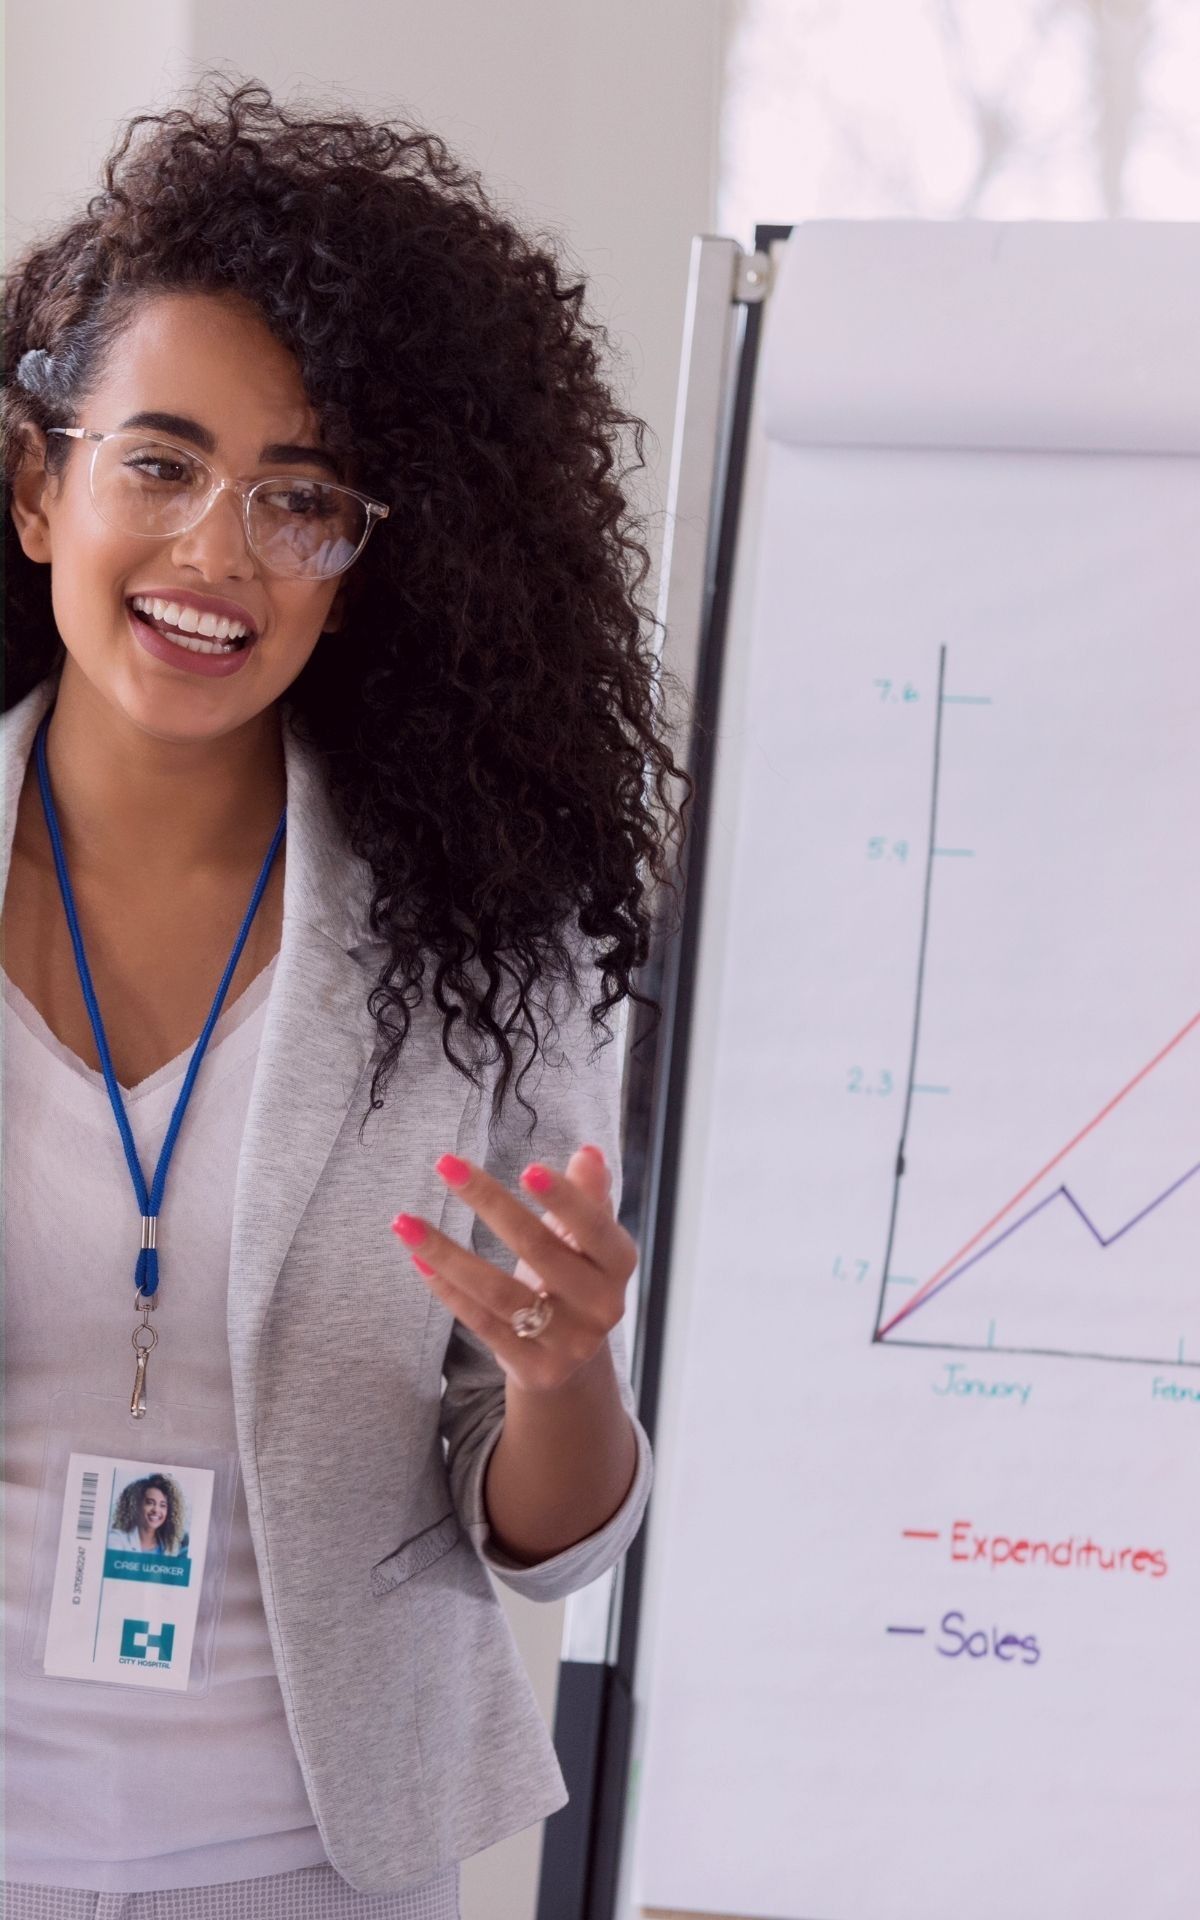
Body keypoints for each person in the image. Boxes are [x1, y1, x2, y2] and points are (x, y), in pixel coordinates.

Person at [1, 75, 691, 1917]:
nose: (217, 552)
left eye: (297, 501)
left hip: (310, 1866)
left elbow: (544, 1538)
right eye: (157, 463)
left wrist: (565, 1378)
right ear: (36, 484)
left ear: (368, 562)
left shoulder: (489, 939)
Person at [105, 1473, 187, 1555]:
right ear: (136, 1506)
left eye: (163, 1505)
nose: (156, 1510)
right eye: (150, 1503)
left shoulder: (171, 1546)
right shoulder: (116, 1540)